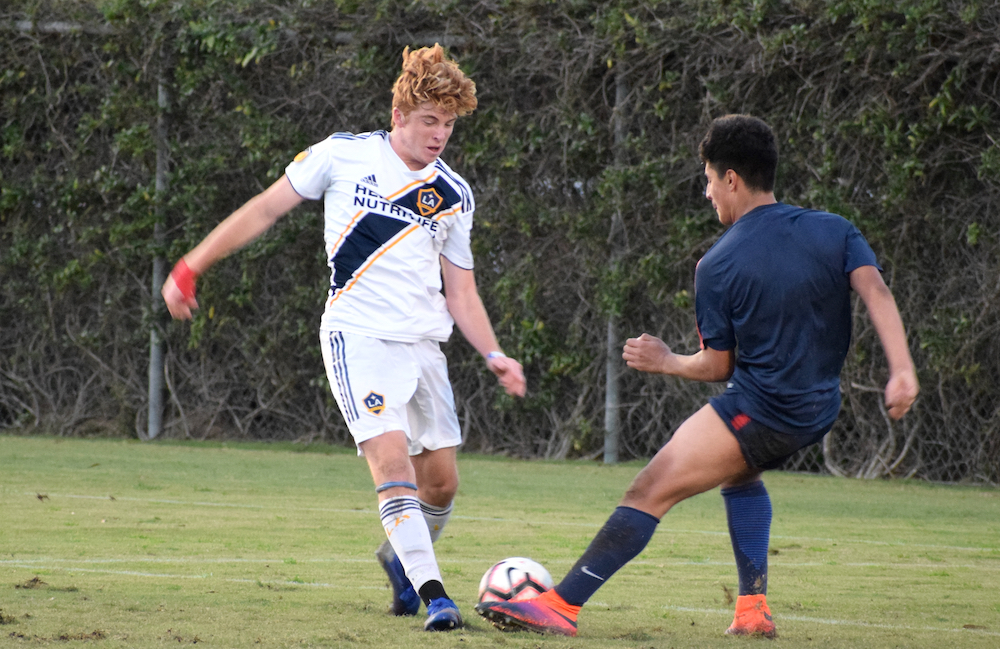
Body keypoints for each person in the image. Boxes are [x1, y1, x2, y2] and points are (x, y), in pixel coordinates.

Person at [475, 114, 919, 638]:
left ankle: (562, 606)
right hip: (819, 407)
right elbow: (876, 293)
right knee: (740, 472)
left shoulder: (719, 264)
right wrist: (903, 371)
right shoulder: (835, 230)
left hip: (764, 409)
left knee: (647, 491)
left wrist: (665, 360)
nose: (708, 193)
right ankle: (752, 610)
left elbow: (717, 366)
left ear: (731, 178)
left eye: (709, 179)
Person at [162, 44, 526, 632]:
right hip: (357, 338)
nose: (439, 135)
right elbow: (263, 210)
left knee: (441, 483)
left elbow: (461, 293)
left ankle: (398, 559)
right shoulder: (342, 156)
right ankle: (435, 595)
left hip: (423, 347)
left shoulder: (453, 194)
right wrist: (190, 266)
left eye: (450, 124)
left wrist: (493, 354)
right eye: (429, 120)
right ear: (399, 116)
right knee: (391, 463)